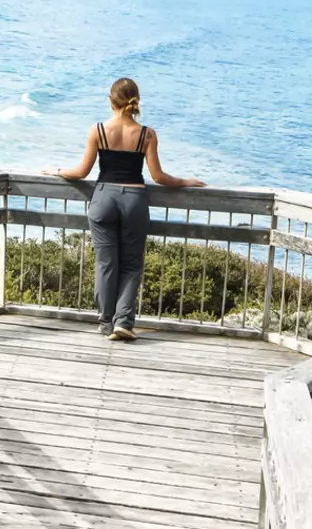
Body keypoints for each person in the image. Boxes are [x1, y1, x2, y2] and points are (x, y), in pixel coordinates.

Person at [42, 77, 204, 341]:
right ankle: (124, 322)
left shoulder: (97, 130)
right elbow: (159, 176)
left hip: (104, 198)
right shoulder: (147, 134)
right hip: (134, 200)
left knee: (106, 264)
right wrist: (185, 182)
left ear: (111, 101)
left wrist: (57, 170)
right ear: (136, 101)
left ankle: (106, 323)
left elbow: (81, 172)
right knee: (131, 264)